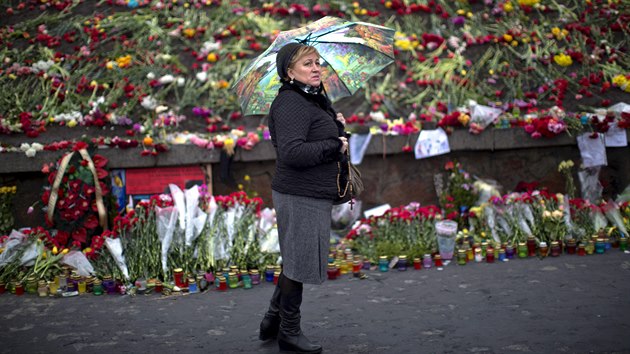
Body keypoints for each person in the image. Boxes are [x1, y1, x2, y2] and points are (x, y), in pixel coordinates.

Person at [259, 42, 348, 354]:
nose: (316, 68)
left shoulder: (310, 100)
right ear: (289, 72)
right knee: (298, 264)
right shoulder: (290, 104)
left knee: (296, 258)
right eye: (308, 64)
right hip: (299, 194)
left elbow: (315, 135)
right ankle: (289, 332)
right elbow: (293, 152)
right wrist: (334, 145)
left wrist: (336, 126)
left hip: (309, 193)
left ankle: (273, 319)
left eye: (317, 62)